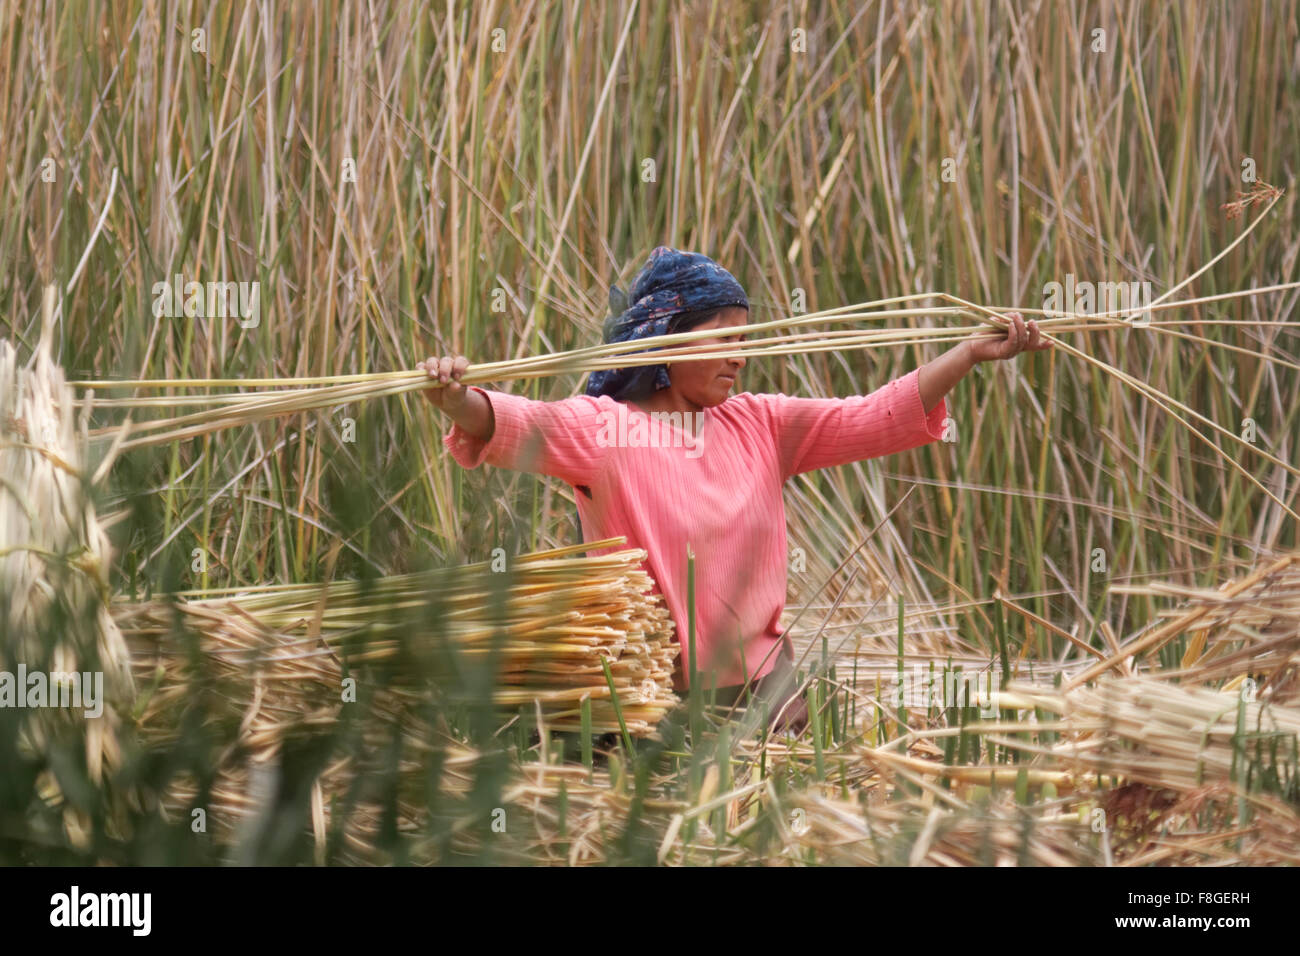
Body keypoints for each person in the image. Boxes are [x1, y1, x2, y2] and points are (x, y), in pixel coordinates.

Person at [418, 246, 1049, 737]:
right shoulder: (604, 431)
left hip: (766, 698)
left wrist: (966, 355)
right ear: (665, 335)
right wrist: (454, 397)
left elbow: (875, 414)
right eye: (723, 338)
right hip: (650, 702)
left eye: (745, 340)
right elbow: (513, 420)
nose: (739, 357)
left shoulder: (759, 424)